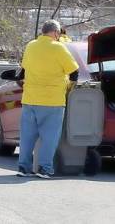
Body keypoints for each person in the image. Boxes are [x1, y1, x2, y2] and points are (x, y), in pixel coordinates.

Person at [17, 20, 79, 179]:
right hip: (52, 101)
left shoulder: (31, 46)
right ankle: (45, 168)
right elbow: (74, 72)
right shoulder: (58, 47)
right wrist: (69, 87)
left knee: (27, 136)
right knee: (49, 138)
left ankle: (24, 167)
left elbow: (22, 72)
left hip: (30, 99)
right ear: (56, 33)